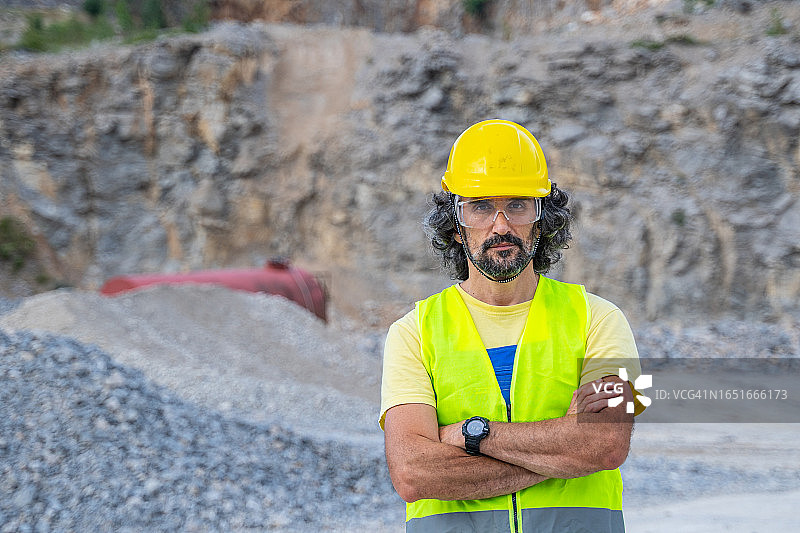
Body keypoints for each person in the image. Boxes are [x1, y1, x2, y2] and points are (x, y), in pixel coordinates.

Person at [380, 119, 645, 533]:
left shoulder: (603, 319)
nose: (500, 225)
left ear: (542, 221)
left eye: (518, 205)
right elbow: (412, 474)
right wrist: (564, 450)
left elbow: (606, 444)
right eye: (480, 206)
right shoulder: (412, 333)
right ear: (454, 226)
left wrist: (470, 435)